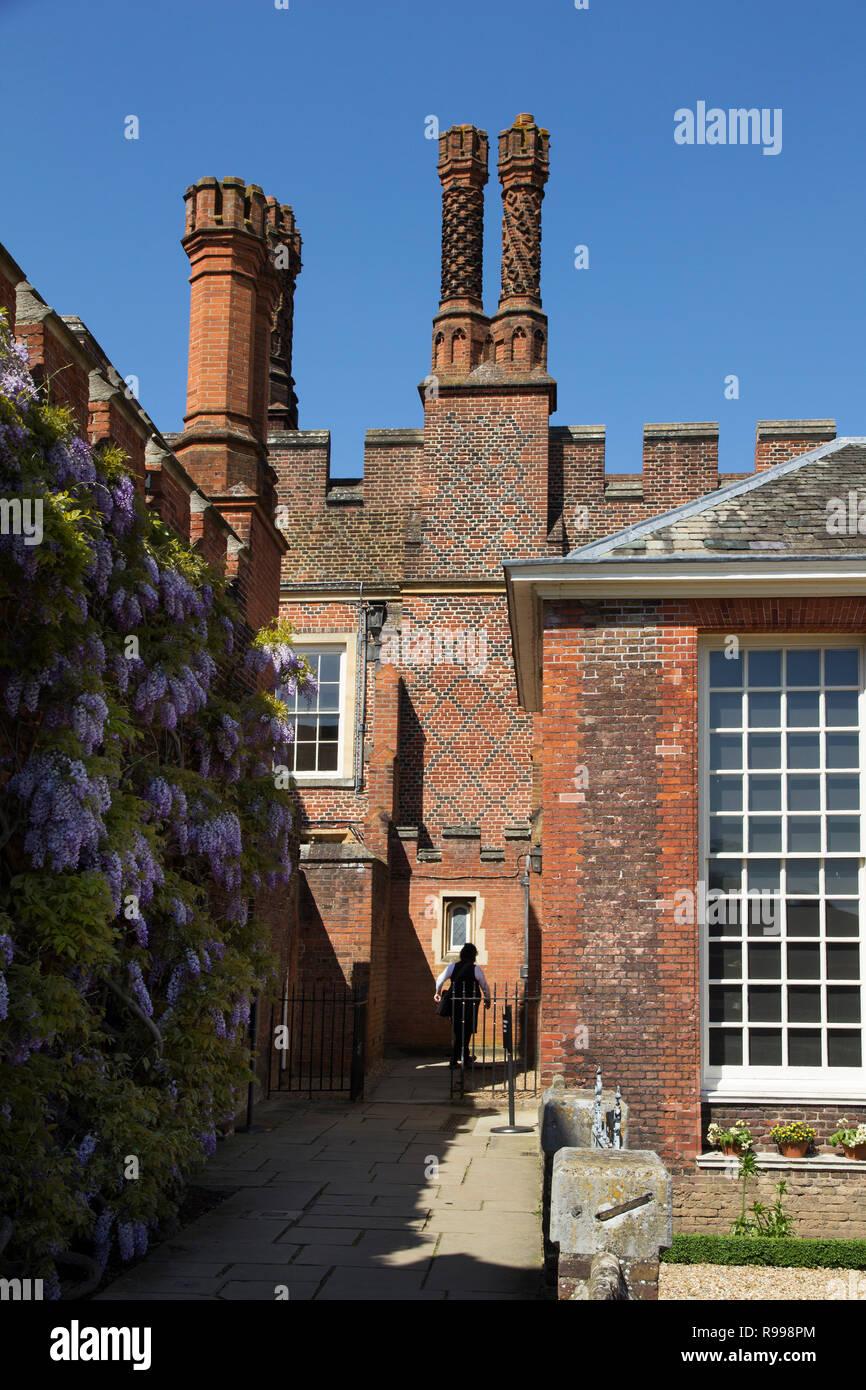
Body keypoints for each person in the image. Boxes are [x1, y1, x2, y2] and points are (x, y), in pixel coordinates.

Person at [434, 943, 491, 1068]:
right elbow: (484, 985)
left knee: (458, 1031)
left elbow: (440, 979)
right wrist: (488, 999)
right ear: (473, 956)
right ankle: (457, 1060)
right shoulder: (475, 969)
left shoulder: (453, 967)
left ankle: (464, 1056)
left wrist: (437, 992)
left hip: (456, 1003)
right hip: (470, 1004)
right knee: (467, 1030)